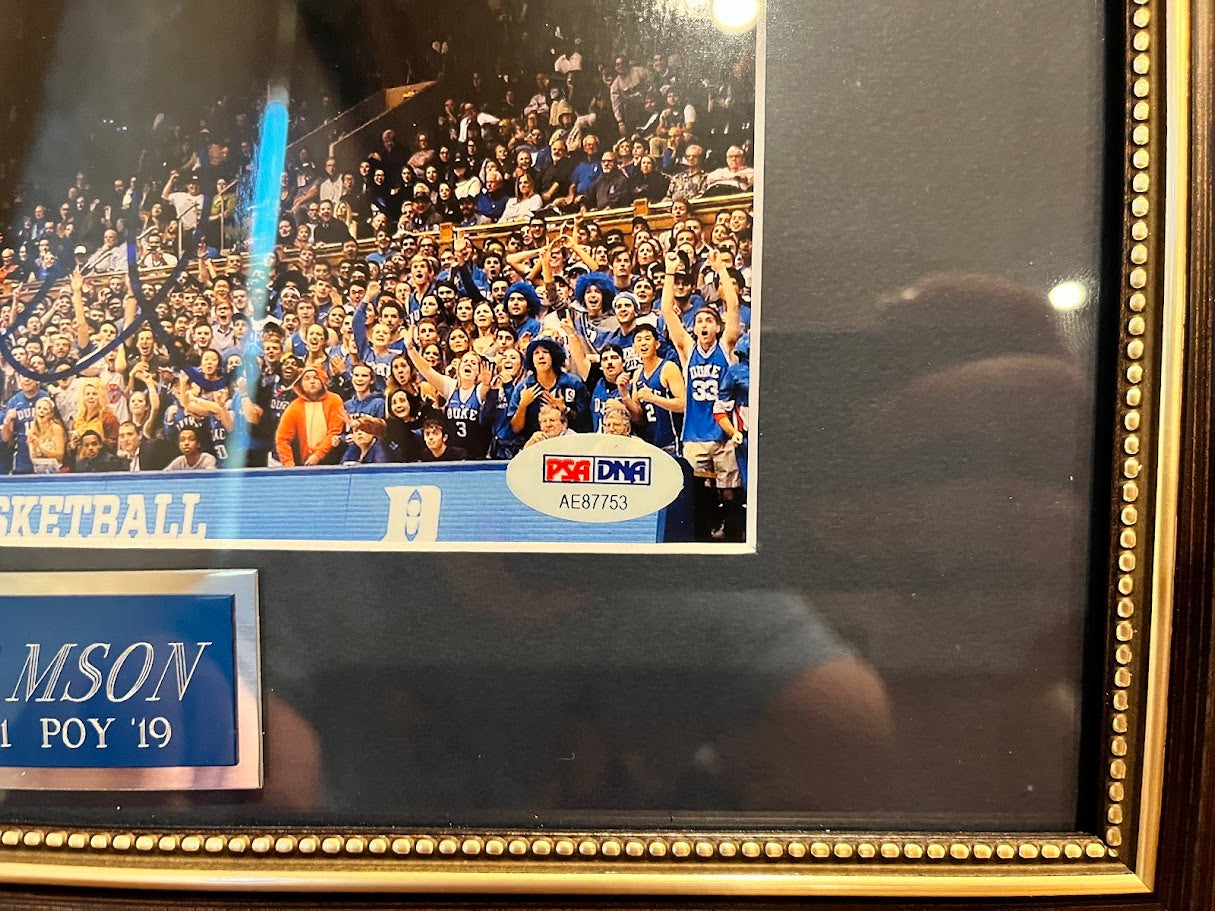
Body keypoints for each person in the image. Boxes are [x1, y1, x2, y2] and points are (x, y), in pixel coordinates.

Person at [661, 249, 744, 541]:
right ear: (693, 328)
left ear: (717, 327)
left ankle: (732, 535)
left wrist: (721, 268)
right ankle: (703, 538)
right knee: (696, 492)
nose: (704, 324)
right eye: (699, 321)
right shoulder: (687, 349)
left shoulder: (726, 347)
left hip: (723, 431)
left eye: (709, 321)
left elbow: (732, 307)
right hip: (695, 433)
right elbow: (667, 312)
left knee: (730, 492)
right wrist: (670, 272)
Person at [274, 365, 347, 467]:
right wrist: (288, 464)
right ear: (300, 384)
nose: (312, 381)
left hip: (333, 460)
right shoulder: (294, 407)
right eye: (307, 379)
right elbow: (282, 438)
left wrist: (318, 455)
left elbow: (335, 431)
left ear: (322, 381)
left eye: (316, 378)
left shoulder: (334, 400)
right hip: (304, 462)